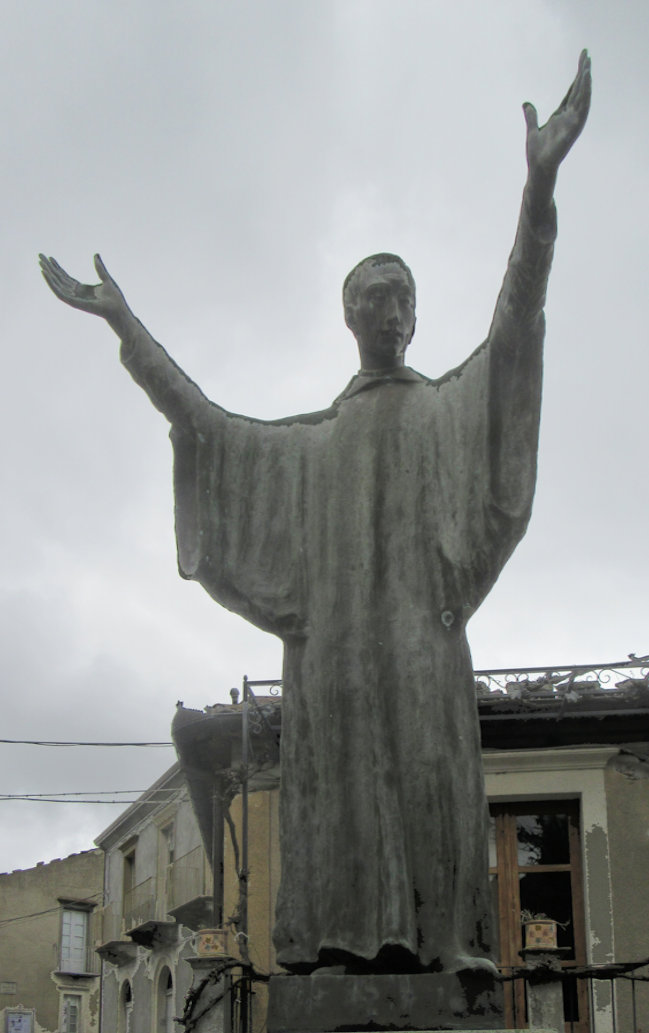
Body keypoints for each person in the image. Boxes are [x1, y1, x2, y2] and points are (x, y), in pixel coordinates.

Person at [40, 52, 591, 975]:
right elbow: (203, 423)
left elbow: (517, 322)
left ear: (414, 314)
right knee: (336, 802)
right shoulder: (307, 446)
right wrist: (125, 327)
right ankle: (335, 945)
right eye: (375, 294)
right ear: (349, 314)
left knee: (431, 791)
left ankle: (449, 940)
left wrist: (537, 190)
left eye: (404, 295)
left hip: (422, 650)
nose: (393, 307)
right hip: (331, 666)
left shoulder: (449, 409)